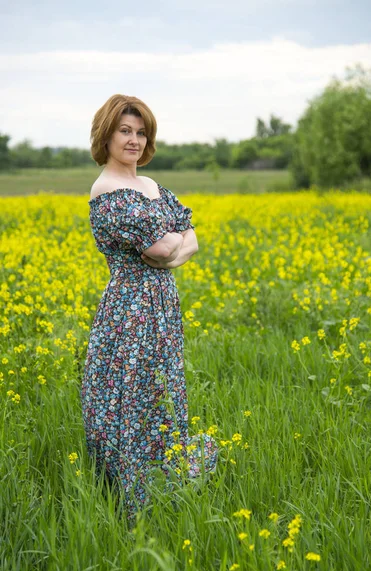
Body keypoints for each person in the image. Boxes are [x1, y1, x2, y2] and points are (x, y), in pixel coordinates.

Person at [80, 94, 218, 524]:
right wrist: (171, 246)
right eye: (125, 130)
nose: (134, 140)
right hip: (130, 306)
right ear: (106, 134)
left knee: (160, 387)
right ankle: (131, 490)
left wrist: (171, 251)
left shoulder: (151, 186)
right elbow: (163, 244)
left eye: (141, 132)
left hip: (160, 304)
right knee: (131, 390)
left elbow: (187, 239)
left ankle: (162, 474)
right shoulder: (108, 191)